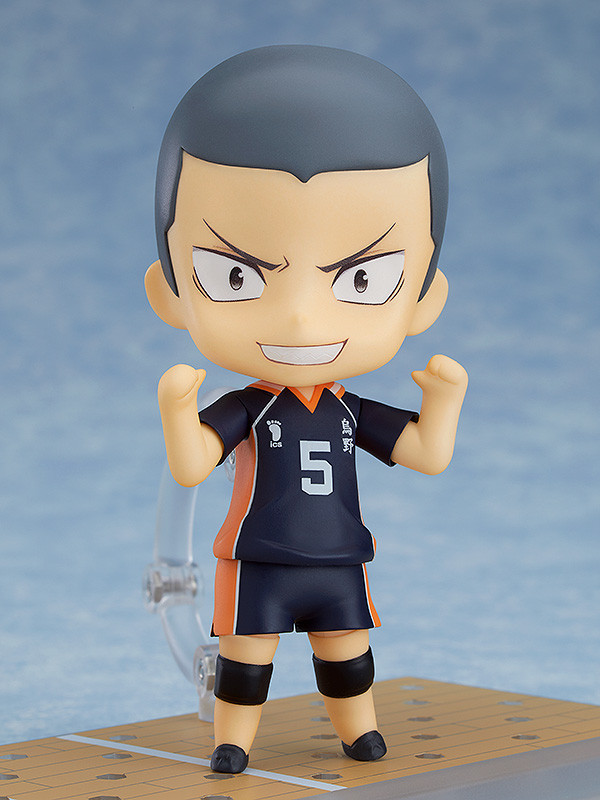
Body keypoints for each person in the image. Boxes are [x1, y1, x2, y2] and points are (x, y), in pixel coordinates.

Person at [145, 45, 468, 774]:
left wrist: (443, 401)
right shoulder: (249, 407)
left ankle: (360, 733)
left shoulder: (348, 409)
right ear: (170, 288)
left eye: (362, 278)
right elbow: (192, 465)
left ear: (424, 296)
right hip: (258, 559)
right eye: (235, 275)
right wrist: (176, 409)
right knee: (245, 662)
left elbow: (427, 453)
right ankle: (232, 741)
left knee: (348, 656)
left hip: (340, 558)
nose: (299, 318)